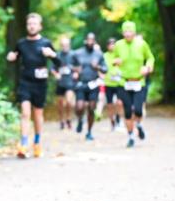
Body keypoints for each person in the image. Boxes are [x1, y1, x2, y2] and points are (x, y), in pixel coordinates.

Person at [6, 13, 59, 158]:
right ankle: (23, 144)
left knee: (37, 114)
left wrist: (52, 55)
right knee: (25, 113)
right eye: (29, 23)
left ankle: (37, 142)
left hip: (40, 84)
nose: (32, 26)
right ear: (26, 26)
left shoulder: (45, 43)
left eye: (34, 24)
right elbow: (14, 57)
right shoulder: (21, 43)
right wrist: (11, 58)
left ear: (40, 26)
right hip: (25, 82)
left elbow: (59, 63)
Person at [111, 21, 155, 148]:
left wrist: (148, 67)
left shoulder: (141, 44)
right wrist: (115, 63)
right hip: (124, 82)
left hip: (139, 82)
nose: (128, 34)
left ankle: (139, 125)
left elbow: (150, 58)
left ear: (134, 32)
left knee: (138, 110)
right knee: (128, 111)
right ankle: (130, 136)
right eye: (125, 31)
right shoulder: (118, 45)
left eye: (130, 31)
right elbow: (112, 61)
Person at [71, 32, 108, 140]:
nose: (90, 42)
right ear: (85, 41)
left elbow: (106, 69)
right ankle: (80, 119)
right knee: (79, 107)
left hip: (93, 84)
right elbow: (69, 65)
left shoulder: (99, 54)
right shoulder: (77, 53)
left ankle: (89, 132)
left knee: (92, 108)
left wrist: (98, 67)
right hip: (81, 84)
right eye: (88, 40)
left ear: (95, 41)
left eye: (92, 40)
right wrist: (75, 70)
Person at [53, 36, 77, 130]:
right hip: (60, 83)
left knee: (69, 102)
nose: (64, 46)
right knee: (60, 104)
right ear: (60, 45)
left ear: (69, 45)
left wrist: (76, 72)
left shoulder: (73, 55)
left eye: (66, 45)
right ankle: (61, 120)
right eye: (62, 45)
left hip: (70, 82)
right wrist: (56, 74)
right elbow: (52, 68)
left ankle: (68, 119)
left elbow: (79, 66)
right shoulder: (57, 55)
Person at [102, 37, 123, 130]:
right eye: (110, 44)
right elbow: (101, 67)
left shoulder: (120, 54)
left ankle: (119, 119)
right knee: (110, 105)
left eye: (114, 44)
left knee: (119, 103)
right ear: (107, 46)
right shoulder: (104, 56)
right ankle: (112, 122)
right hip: (108, 83)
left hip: (119, 83)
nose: (112, 46)